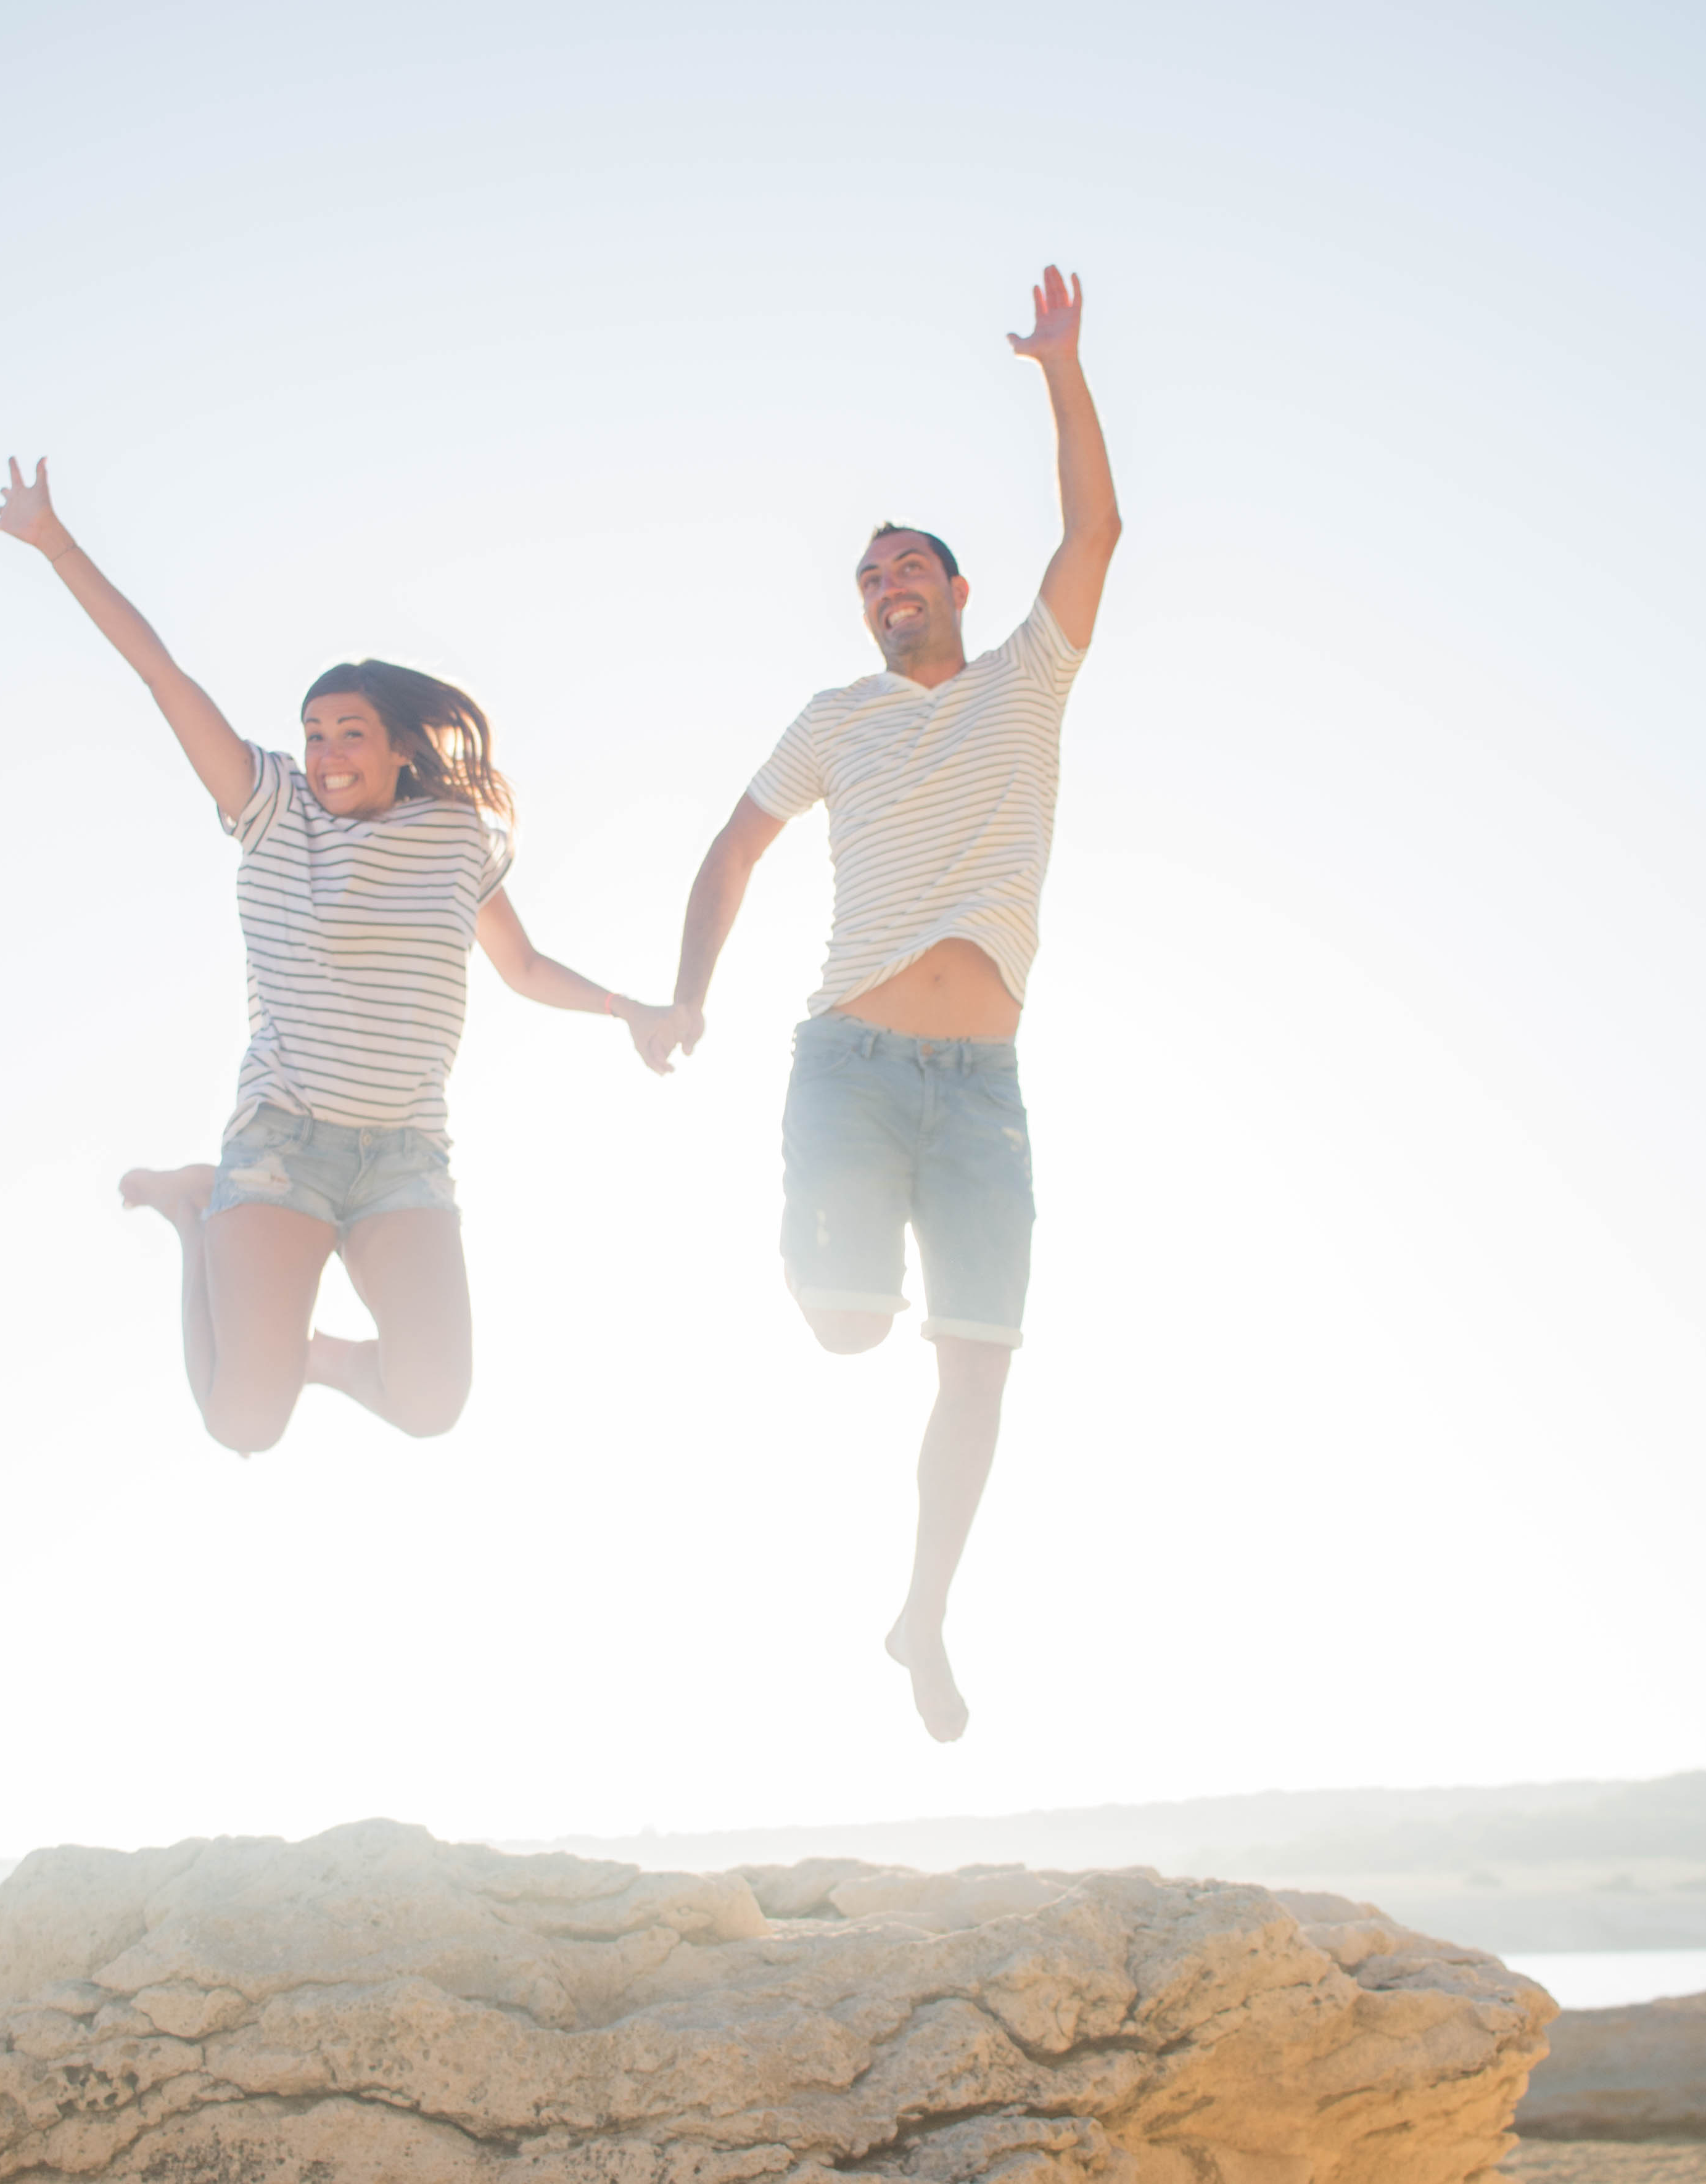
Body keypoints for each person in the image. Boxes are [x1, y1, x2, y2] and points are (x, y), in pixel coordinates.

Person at [639, 267, 1121, 1741]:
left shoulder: (1027, 677)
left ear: (958, 589)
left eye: (907, 563)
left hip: (982, 1096)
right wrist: (684, 998)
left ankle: (921, 1612)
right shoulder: (836, 719)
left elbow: (1096, 531)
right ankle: (843, 1267)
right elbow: (732, 847)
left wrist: (1060, 368)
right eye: (867, 574)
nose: (885, 582)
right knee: (848, 1328)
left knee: (976, 1366)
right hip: (847, 1066)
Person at [0, 458, 674, 1454]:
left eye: (349, 732)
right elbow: (162, 675)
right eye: (312, 733)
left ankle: (315, 1354)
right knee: (244, 1424)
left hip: (404, 1152)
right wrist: (57, 543)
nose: (325, 753)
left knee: (433, 1400)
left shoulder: (453, 837)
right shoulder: (270, 808)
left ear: (400, 745)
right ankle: (197, 1213)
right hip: (283, 1143)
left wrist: (629, 1009)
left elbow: (522, 967)